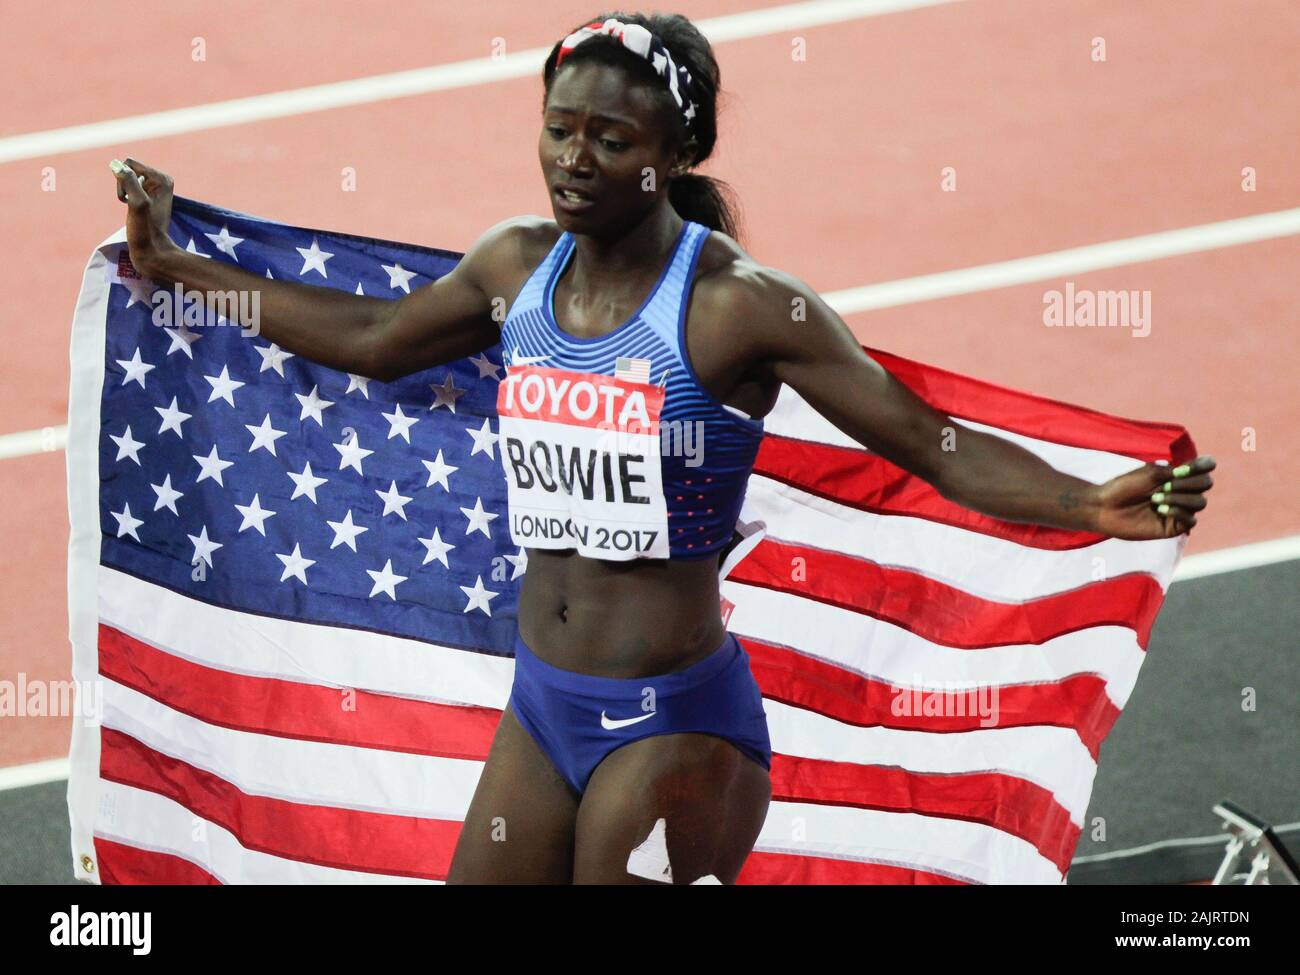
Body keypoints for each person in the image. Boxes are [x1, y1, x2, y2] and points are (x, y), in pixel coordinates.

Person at [110, 11, 1215, 885]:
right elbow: (368, 338)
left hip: (675, 727)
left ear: (677, 151)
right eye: (559, 127)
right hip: (542, 708)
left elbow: (932, 444)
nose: (575, 159)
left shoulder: (738, 310)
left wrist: (1082, 506)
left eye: (611, 138)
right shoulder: (514, 269)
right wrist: (180, 275)